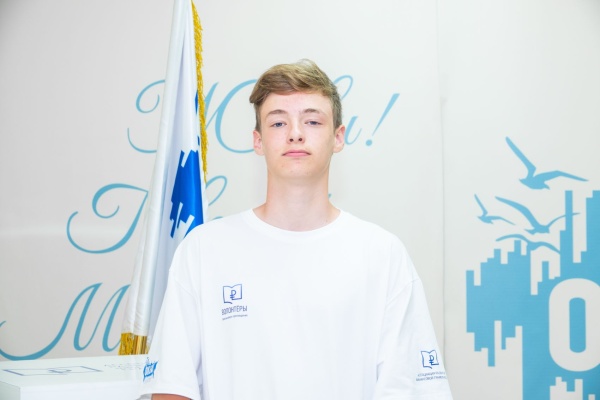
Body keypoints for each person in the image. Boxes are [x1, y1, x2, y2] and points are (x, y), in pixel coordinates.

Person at [139, 59, 453, 400]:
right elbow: (173, 388)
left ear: (338, 137)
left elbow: (411, 389)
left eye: (312, 120)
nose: (295, 133)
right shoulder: (204, 250)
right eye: (278, 122)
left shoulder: (382, 254)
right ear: (258, 141)